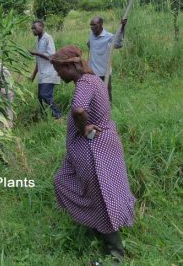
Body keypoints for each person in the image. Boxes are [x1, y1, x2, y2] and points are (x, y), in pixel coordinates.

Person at [49, 45, 135, 261]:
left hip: (95, 150)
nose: (57, 74)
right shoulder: (92, 79)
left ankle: (115, 255)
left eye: (59, 69)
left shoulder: (84, 84)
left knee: (101, 196)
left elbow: (79, 109)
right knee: (63, 180)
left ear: (70, 66)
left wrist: (84, 128)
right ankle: (95, 224)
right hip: (89, 150)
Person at [87, 17, 128, 102]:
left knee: (106, 95)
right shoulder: (91, 35)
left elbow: (118, 44)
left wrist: (122, 27)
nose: (92, 27)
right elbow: (89, 44)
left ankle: (108, 112)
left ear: (101, 24)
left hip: (103, 73)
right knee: (93, 95)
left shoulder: (108, 36)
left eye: (94, 25)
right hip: (91, 72)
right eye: (91, 25)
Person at [30, 20, 62, 119]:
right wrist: (33, 75)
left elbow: (51, 57)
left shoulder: (48, 38)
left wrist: (36, 53)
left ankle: (58, 115)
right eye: (32, 29)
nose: (33, 30)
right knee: (40, 97)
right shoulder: (38, 40)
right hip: (42, 74)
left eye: (35, 28)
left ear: (42, 27)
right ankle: (44, 116)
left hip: (50, 72)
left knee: (45, 95)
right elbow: (38, 61)